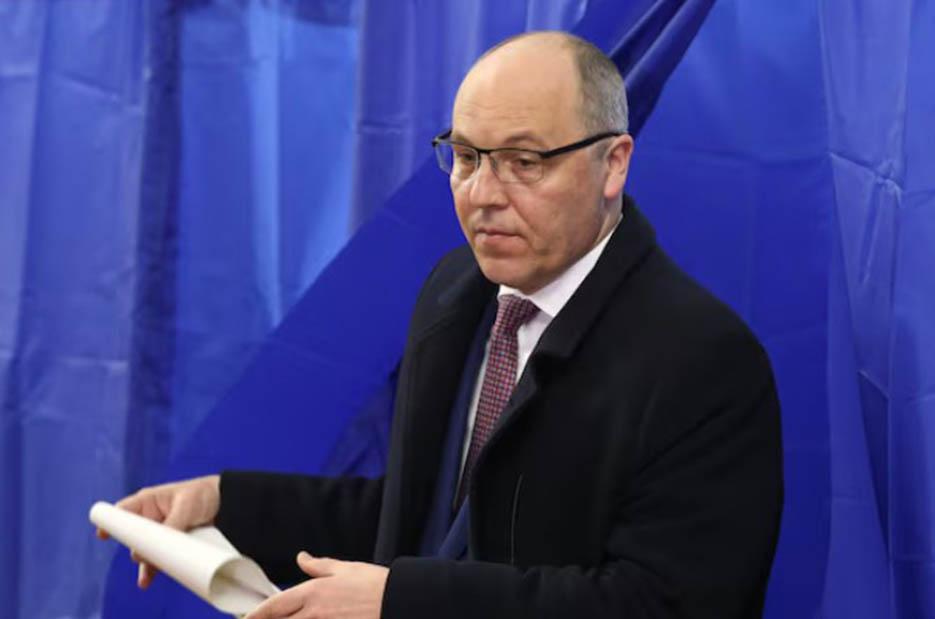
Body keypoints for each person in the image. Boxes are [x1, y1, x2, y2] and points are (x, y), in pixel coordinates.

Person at [98, 31, 783, 618]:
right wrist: (224, 505)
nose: (482, 195)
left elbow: (664, 603)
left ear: (614, 164)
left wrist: (402, 601)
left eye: (524, 162)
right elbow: (421, 518)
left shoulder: (703, 359)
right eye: (465, 157)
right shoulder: (457, 294)